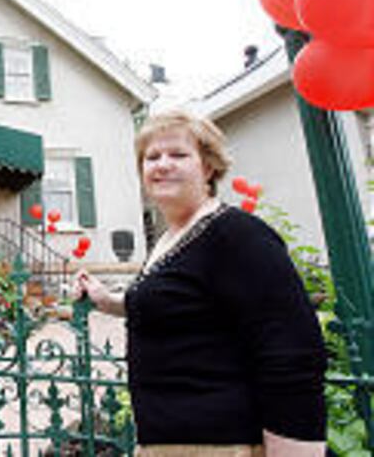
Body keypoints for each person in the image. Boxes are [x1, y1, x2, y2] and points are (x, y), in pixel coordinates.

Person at [76, 110, 326, 456]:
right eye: (152, 157)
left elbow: (292, 352)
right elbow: (174, 306)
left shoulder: (236, 235)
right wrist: (105, 298)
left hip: (223, 444)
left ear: (208, 167)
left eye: (178, 154)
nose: (162, 164)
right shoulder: (170, 239)